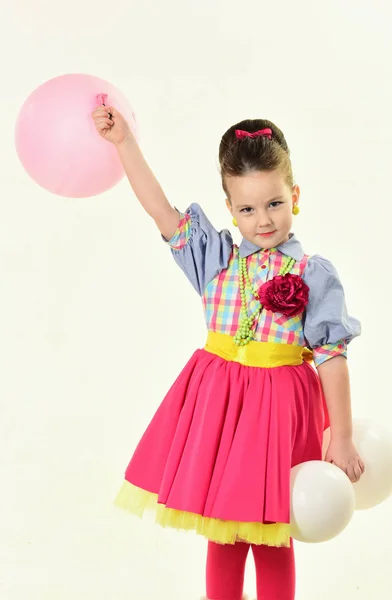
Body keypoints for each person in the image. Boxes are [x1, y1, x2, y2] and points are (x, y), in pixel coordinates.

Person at [92, 106, 365, 600]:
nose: (263, 220)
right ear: (229, 208)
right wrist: (124, 143)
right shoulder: (215, 259)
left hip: (277, 413)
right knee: (224, 531)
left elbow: (332, 356)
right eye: (247, 209)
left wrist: (340, 435)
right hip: (220, 407)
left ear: (295, 197)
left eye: (275, 204)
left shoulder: (313, 273)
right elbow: (160, 209)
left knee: (271, 532)